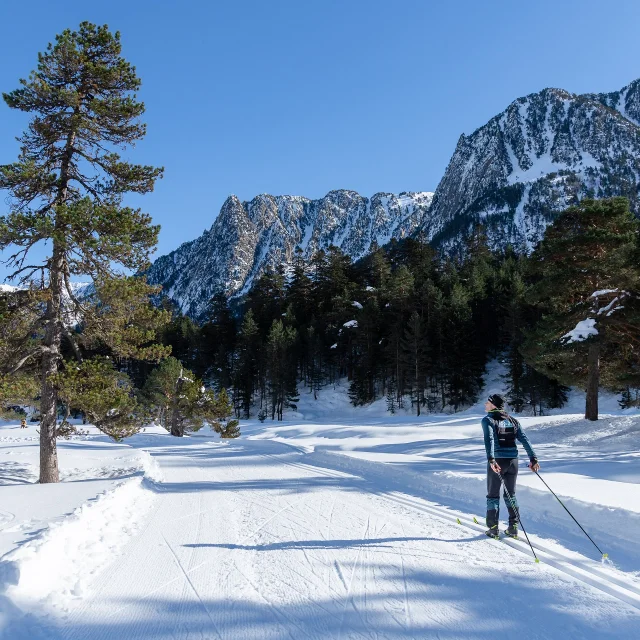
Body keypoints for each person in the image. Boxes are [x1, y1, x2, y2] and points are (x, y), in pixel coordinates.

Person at [481, 393, 539, 539]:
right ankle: (513, 527)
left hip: (498, 461)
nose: (485, 405)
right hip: (513, 461)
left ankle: (493, 529)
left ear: (493, 405)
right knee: (510, 494)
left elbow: (489, 439)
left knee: (493, 494)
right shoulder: (513, 420)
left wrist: (491, 459)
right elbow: (525, 440)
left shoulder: (488, 420)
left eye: (487, 402)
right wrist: (533, 458)